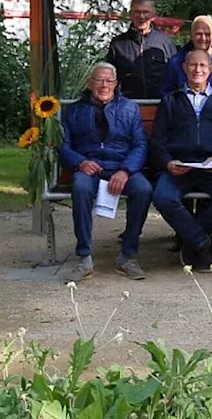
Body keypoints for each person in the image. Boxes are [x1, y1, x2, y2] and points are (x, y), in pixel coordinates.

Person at [57, 62, 153, 282]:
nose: (104, 85)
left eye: (109, 80)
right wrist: (80, 162)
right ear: (90, 83)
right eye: (99, 80)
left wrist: (126, 170)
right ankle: (84, 258)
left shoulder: (129, 108)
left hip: (120, 166)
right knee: (80, 187)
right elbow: (63, 146)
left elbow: (140, 144)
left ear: (116, 84)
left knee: (144, 189)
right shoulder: (73, 110)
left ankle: (127, 256)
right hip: (89, 167)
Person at [150, 49, 212, 270]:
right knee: (163, 197)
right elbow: (157, 139)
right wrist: (167, 162)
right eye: (192, 65)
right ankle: (202, 241)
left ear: (210, 70)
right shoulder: (170, 101)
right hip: (179, 167)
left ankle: (191, 238)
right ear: (184, 68)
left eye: (203, 66)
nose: (197, 70)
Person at [105, 0, 179, 100]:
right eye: (137, 12)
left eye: (146, 12)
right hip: (128, 105)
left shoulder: (165, 42)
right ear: (130, 14)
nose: (141, 16)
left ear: (153, 15)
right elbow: (110, 78)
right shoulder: (118, 44)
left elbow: (176, 76)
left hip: (160, 104)